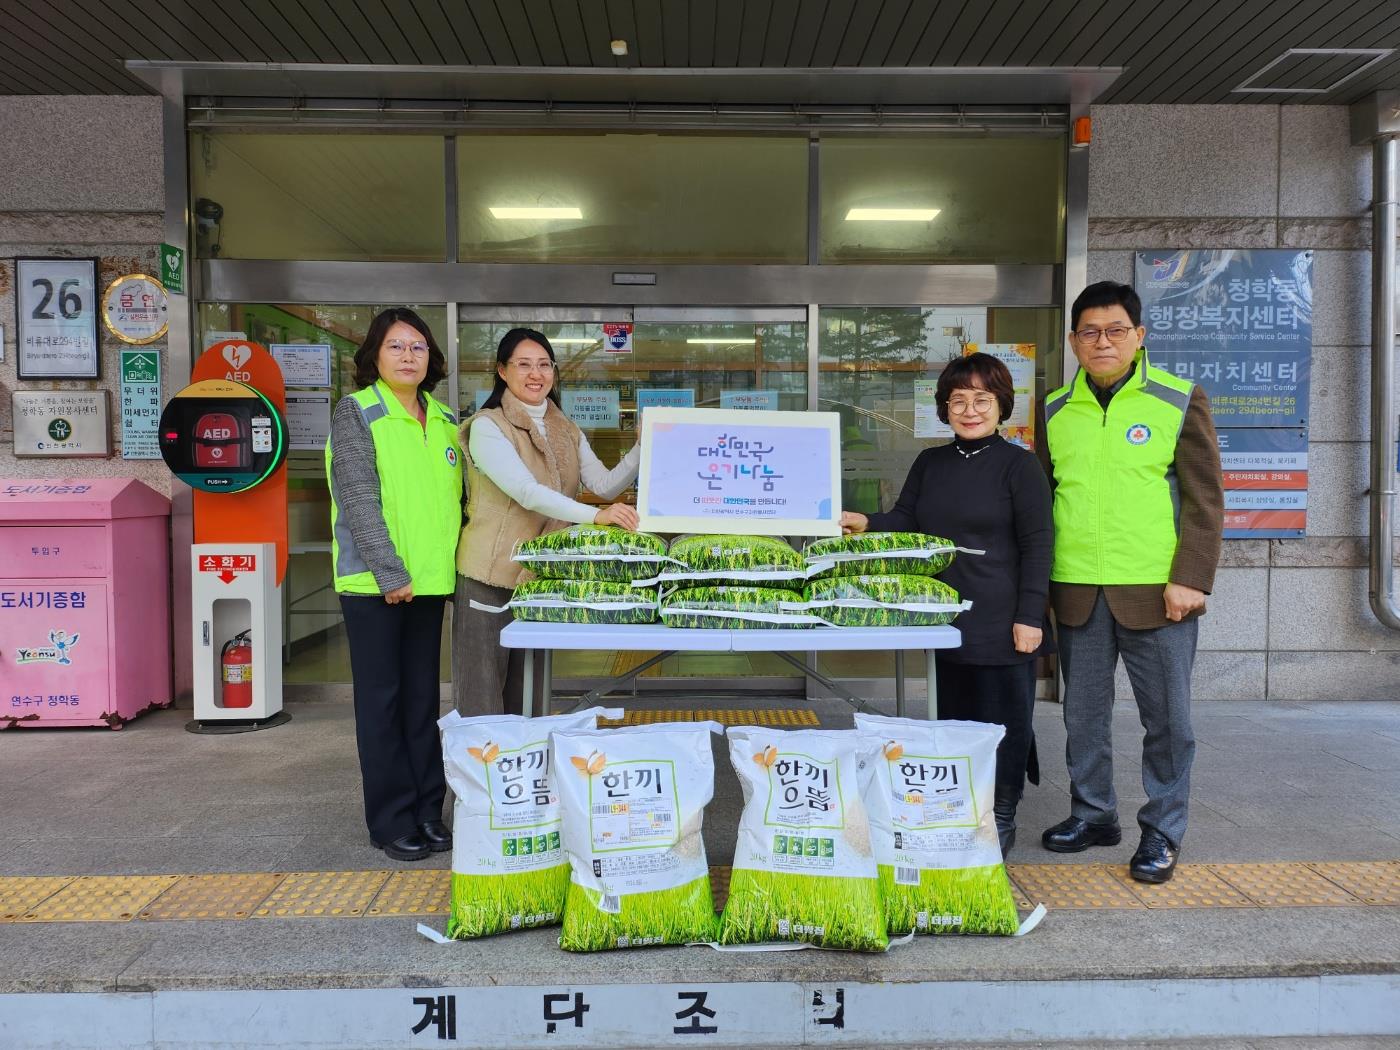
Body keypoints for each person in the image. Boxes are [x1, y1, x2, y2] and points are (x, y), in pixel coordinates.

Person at [1039, 281, 1224, 884]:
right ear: (1073, 341)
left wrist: (1191, 577)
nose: (1103, 341)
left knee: (1167, 720)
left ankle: (1163, 830)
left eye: (1116, 330)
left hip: (1158, 592)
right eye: (1089, 332)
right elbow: (1045, 499)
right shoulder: (1054, 409)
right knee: (1083, 717)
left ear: (1139, 336)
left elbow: (1205, 498)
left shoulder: (1176, 399)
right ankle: (1094, 814)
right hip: (1077, 590)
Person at [840, 353, 1053, 855]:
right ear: (944, 408)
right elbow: (906, 517)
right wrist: (865, 521)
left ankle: (1001, 815)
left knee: (1005, 718)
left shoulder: (1020, 467)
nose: (970, 409)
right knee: (954, 716)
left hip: (1002, 616)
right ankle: (959, 807)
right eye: (958, 400)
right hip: (943, 612)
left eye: (982, 399)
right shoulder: (930, 463)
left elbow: (1039, 544)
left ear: (1002, 405)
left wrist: (1030, 616)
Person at [326, 308, 463, 863]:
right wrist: (391, 573)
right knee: (381, 704)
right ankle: (391, 819)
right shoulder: (358, 412)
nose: (409, 356)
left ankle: (429, 811)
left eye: (418, 348)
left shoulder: (445, 418)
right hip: (376, 584)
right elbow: (359, 498)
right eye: (396, 347)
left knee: (422, 702)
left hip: (429, 584)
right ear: (374, 357)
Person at [454, 328, 640, 717]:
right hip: (491, 577)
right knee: (482, 694)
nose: (535, 373)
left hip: (540, 578)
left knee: (529, 693)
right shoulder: (488, 426)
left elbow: (604, 484)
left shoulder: (565, 429)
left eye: (544, 365)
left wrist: (645, 444)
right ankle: (479, 777)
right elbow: (526, 491)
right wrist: (596, 517)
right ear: (502, 371)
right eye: (523, 364)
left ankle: (524, 776)